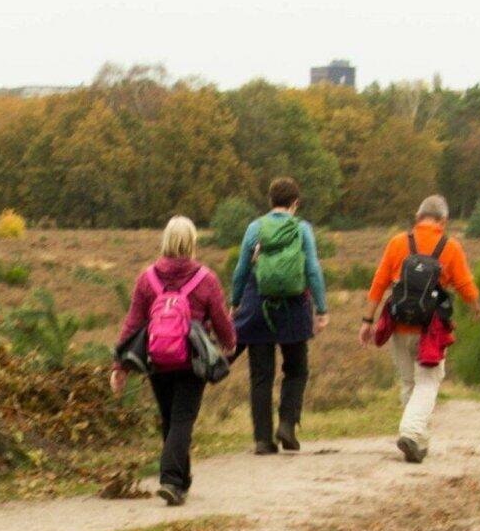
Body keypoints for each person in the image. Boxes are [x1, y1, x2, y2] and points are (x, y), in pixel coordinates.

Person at [112, 216, 237, 506]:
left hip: (157, 360)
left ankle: (181, 481)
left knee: (169, 420)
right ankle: (169, 478)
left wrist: (120, 365)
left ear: (165, 241)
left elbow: (132, 324)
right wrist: (229, 344)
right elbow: (220, 320)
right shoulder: (206, 279)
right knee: (183, 421)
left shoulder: (147, 279)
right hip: (191, 362)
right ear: (192, 243)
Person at [362, 195, 480, 464]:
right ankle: (412, 432)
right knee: (428, 382)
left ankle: (418, 440)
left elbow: (379, 282)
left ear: (418, 217)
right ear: (444, 221)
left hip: (398, 324)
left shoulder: (397, 243)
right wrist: (477, 307)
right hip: (430, 329)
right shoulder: (450, 247)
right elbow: (465, 285)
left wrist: (367, 321)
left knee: (409, 382)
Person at [229, 177, 328, 454]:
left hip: (259, 307)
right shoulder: (303, 228)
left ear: (270, 201)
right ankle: (287, 424)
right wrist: (321, 308)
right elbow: (312, 268)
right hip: (294, 307)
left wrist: (235, 302)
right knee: (296, 370)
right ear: (295, 203)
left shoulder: (255, 228)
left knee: (261, 376)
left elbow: (241, 270)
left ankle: (262, 439)